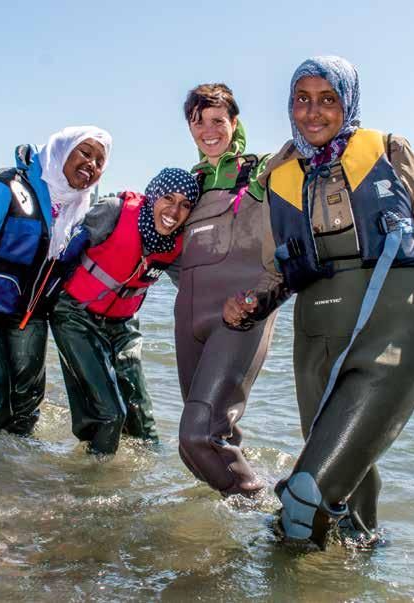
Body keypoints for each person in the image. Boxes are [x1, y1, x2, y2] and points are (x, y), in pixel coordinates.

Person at [223, 56, 414, 549]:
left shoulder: (390, 151)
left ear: (346, 102)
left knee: (305, 495)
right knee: (349, 485)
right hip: (316, 339)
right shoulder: (280, 172)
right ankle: (360, 571)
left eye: (327, 99)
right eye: (302, 100)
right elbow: (281, 270)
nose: (313, 112)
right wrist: (250, 303)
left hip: (393, 326)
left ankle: (283, 580)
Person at [0, 126, 112, 436]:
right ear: (60, 150)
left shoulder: (78, 211)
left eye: (99, 161)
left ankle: (9, 480)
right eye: (85, 152)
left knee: (25, 407)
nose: (91, 165)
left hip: (27, 313)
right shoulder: (4, 189)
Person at [50, 168, 200, 454]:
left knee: (144, 428)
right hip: (75, 316)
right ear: (153, 195)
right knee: (109, 415)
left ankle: (146, 490)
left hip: (123, 325)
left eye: (185, 205)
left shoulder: (177, 245)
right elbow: (60, 251)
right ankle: (89, 485)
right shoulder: (114, 211)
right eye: (167, 198)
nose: (174, 211)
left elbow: (194, 291)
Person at [174, 83, 275, 497]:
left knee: (199, 436)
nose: (208, 131)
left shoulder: (263, 169)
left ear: (235, 123)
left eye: (218, 121)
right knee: (198, 445)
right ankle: (229, 542)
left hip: (240, 314)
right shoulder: (188, 182)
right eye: (198, 123)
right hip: (188, 318)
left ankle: (256, 507)